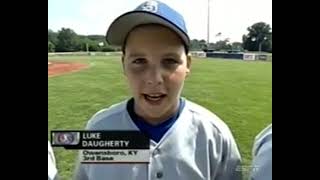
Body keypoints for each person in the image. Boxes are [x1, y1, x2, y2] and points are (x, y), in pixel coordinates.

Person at [73, 1, 242, 179]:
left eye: (169, 61)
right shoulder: (99, 129)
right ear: (124, 64)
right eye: (139, 61)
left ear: (188, 65)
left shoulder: (214, 136)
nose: (154, 79)